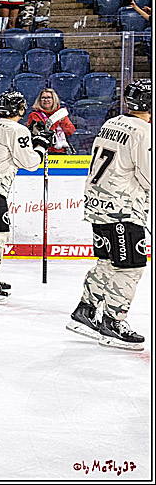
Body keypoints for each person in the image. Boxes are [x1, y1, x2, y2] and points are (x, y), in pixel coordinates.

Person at [66, 79, 150, 350]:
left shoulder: (111, 123)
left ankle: (86, 311)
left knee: (107, 263)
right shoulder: (143, 132)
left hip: (98, 206)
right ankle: (113, 322)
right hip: (122, 211)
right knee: (130, 266)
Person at [0, 90, 54, 303]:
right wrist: (41, 145)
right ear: (21, 109)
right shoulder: (17, 129)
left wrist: (33, 140)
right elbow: (31, 163)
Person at [25, 88, 75, 154]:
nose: (46, 100)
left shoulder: (61, 114)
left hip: (62, 152)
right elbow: (47, 130)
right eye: (43, 98)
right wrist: (57, 118)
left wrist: (63, 120)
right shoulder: (34, 115)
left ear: (54, 99)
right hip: (43, 151)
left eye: (49, 97)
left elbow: (70, 131)